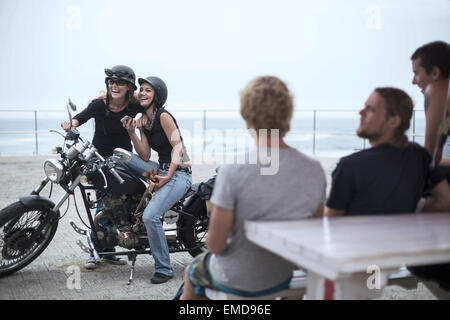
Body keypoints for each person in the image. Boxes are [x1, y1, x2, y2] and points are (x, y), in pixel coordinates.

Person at [177, 76, 327, 300]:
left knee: (194, 270)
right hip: (282, 275)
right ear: (288, 115)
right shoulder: (314, 170)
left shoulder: (233, 170)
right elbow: (314, 236)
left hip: (235, 279)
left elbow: (215, 244)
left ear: (246, 116)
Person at [324, 87, 450, 297]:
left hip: (354, 263)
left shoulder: (350, 166)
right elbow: (445, 201)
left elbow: (330, 224)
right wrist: (409, 211)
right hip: (391, 256)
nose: (360, 113)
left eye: (370, 109)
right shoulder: (419, 155)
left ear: (393, 121)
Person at [61, 65, 143, 269]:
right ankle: (96, 251)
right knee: (102, 204)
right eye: (112, 82)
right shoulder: (99, 105)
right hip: (97, 158)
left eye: (120, 83)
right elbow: (81, 117)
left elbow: (152, 112)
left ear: (129, 87)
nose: (115, 85)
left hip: (121, 160)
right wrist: (70, 125)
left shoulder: (133, 107)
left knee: (119, 204)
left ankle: (106, 250)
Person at [119, 76, 192, 284]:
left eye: (148, 90)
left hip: (179, 172)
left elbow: (179, 148)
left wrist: (168, 175)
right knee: (119, 155)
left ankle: (164, 268)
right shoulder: (144, 120)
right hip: (159, 169)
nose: (142, 92)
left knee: (150, 217)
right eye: (141, 89)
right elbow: (143, 155)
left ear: (157, 96)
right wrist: (134, 132)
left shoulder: (164, 116)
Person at [411, 41, 450, 167]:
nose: (413, 81)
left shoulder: (437, 90)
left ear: (435, 73)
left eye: (416, 73)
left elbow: (431, 157)